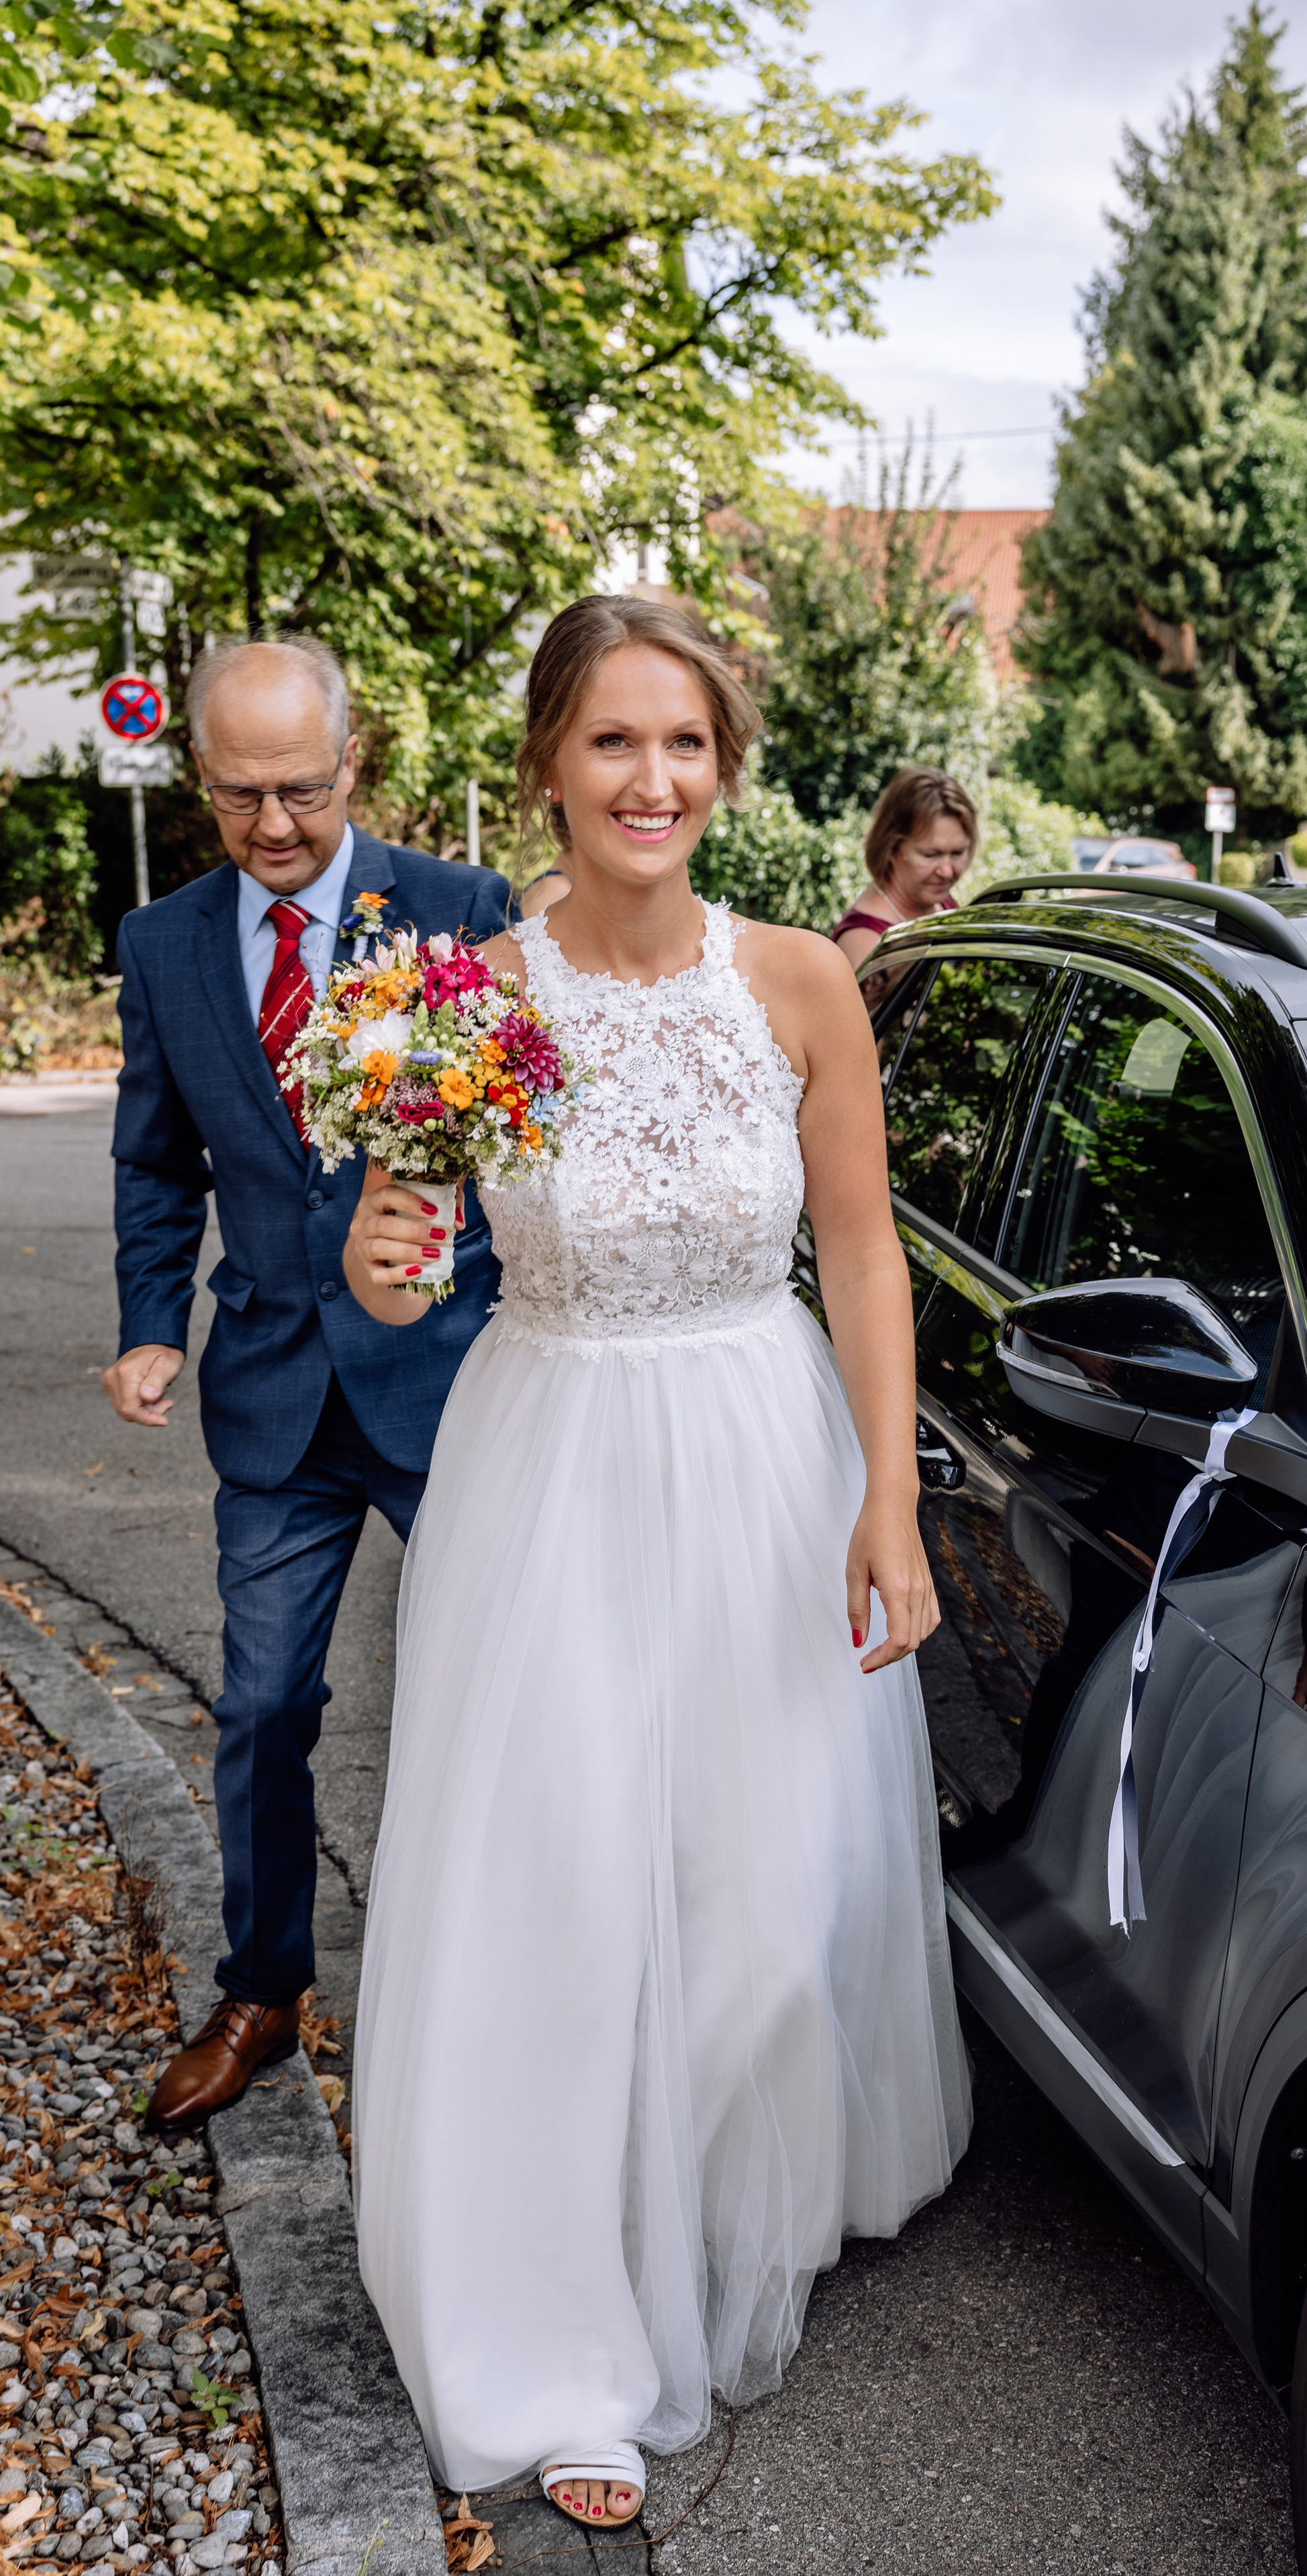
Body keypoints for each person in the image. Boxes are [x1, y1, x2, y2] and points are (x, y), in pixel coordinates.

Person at [348, 595, 971, 2532]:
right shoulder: (461, 1001)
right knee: (569, 1901)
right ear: (549, 759)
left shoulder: (799, 981)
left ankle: (705, 2205)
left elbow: (862, 1251)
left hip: (767, 1456)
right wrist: (384, 1258)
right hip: (555, 1462)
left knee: (772, 1916)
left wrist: (891, 1492)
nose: (653, 779)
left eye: (686, 742)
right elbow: (399, 1235)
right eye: (614, 740)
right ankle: (569, 2338)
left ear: (728, 764)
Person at [104, 636, 514, 2128]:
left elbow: (528, 1140)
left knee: (509, 1689)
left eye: (298, 786)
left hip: (450, 1384)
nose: (272, 823)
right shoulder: (161, 945)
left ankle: (519, 1983)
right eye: (236, 794)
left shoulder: (462, 910)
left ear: (355, 761)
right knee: (265, 1702)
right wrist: (154, 1322)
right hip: (274, 1396)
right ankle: (263, 1991)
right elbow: (155, 1160)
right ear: (197, 781)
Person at [831, 765, 977, 965]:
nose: (947, 871)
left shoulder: (939, 902)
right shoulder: (864, 941)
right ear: (892, 847)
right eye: (931, 855)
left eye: (958, 853)